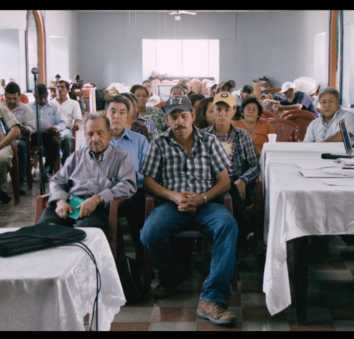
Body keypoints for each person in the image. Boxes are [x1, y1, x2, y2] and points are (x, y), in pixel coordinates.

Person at [139, 94, 239, 325]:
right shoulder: (159, 143)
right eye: (173, 117)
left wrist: (203, 198)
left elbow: (224, 182)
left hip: (206, 204)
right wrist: (173, 196)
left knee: (228, 226)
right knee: (149, 233)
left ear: (193, 116)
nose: (179, 122)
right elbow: (148, 182)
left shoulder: (209, 141)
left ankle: (212, 298)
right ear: (167, 120)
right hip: (173, 205)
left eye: (183, 116)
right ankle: (175, 274)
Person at [37, 113, 136, 228]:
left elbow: (127, 185)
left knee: (85, 233)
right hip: (68, 204)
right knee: (46, 229)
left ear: (110, 134)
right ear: (85, 135)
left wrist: (98, 198)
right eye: (90, 134)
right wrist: (60, 200)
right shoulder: (77, 156)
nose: (95, 139)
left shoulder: (122, 157)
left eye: (100, 133)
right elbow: (57, 180)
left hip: (97, 208)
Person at [79, 96, 149, 255]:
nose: (117, 116)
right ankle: (106, 258)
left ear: (128, 117)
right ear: (105, 114)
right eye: (113, 111)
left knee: (138, 204)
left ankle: (140, 259)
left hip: (130, 194)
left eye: (122, 112)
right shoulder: (93, 140)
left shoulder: (139, 141)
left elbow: (148, 173)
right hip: (99, 194)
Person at [203, 92, 267, 254]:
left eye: (227, 110)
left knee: (231, 187)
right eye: (218, 109)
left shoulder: (242, 135)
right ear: (213, 111)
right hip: (210, 186)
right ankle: (250, 234)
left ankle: (235, 244)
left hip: (238, 185)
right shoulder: (203, 136)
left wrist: (243, 180)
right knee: (227, 186)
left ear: (234, 111)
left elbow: (255, 165)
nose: (222, 114)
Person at [3, 82, 36, 195]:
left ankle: (21, 182)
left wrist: (25, 129)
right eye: (9, 98)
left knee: (21, 148)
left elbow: (32, 128)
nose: (12, 101)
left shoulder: (26, 110)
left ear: (19, 96)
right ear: (4, 96)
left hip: (19, 139)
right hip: (1, 139)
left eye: (15, 98)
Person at [28, 84, 66, 176]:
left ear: (47, 95)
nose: (43, 100)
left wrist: (56, 128)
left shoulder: (54, 107)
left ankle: (47, 170)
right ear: (34, 96)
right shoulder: (28, 107)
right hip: (32, 135)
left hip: (48, 134)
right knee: (23, 146)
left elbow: (62, 123)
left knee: (55, 144)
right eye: (40, 98)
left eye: (44, 97)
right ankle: (28, 171)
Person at [51, 80, 82, 165]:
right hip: (52, 128)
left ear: (68, 90)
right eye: (58, 87)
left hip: (65, 128)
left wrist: (76, 124)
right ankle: (51, 165)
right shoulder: (50, 103)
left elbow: (78, 118)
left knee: (67, 137)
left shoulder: (74, 103)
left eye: (62, 87)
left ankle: (65, 163)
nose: (60, 89)